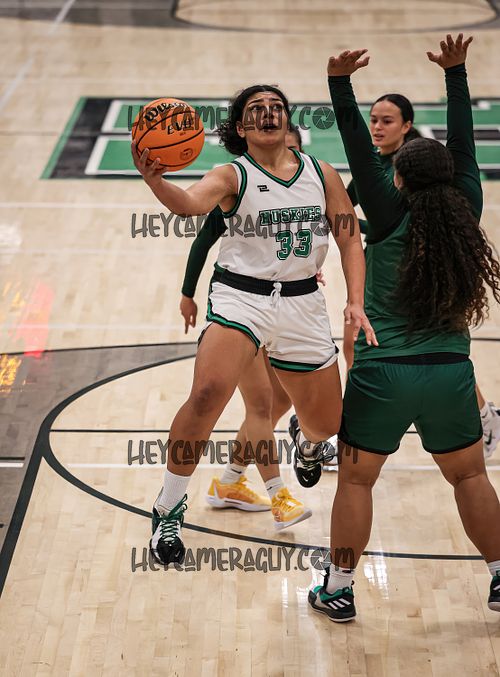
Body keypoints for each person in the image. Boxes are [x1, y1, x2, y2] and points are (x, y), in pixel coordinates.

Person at [132, 85, 376, 565]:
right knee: (208, 394)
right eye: (256, 110)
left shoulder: (321, 173)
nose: (268, 114)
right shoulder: (232, 174)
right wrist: (156, 182)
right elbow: (189, 204)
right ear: (241, 127)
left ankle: (306, 444)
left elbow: (349, 239)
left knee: (326, 424)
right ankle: (167, 507)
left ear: (286, 120)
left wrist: (355, 301)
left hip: (303, 303)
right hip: (241, 297)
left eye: (276, 107)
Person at [308, 34, 500, 622]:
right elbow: (465, 145)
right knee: (470, 476)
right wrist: (456, 74)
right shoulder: (467, 205)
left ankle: (339, 589)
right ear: (454, 176)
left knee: (356, 484)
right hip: (450, 373)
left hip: (382, 371)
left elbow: (356, 143)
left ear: (399, 177)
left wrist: (339, 83)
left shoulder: (387, 208)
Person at [343, 93, 500, 459]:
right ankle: (482, 415)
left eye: (387, 121)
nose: (377, 127)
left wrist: (365, 229)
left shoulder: (417, 166)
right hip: (392, 269)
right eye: (373, 119)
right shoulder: (381, 165)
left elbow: (390, 223)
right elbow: (347, 207)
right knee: (423, 347)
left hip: (419, 273)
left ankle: (483, 415)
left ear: (407, 125)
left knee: (423, 343)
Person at [180, 124, 312, 528]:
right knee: (261, 404)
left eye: (292, 151)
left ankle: (230, 482)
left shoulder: (307, 186)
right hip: (244, 307)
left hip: (287, 307)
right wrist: (187, 294)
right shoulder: (241, 189)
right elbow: (203, 241)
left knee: (280, 402)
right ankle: (279, 496)